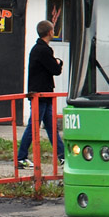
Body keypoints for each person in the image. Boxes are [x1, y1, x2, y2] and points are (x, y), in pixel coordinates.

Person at [17, 19, 65, 169]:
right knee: (34, 125)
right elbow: (55, 70)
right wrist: (59, 63)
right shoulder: (44, 50)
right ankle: (21, 157)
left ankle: (63, 156)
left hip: (42, 94)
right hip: (41, 94)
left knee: (51, 127)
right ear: (50, 32)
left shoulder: (37, 48)